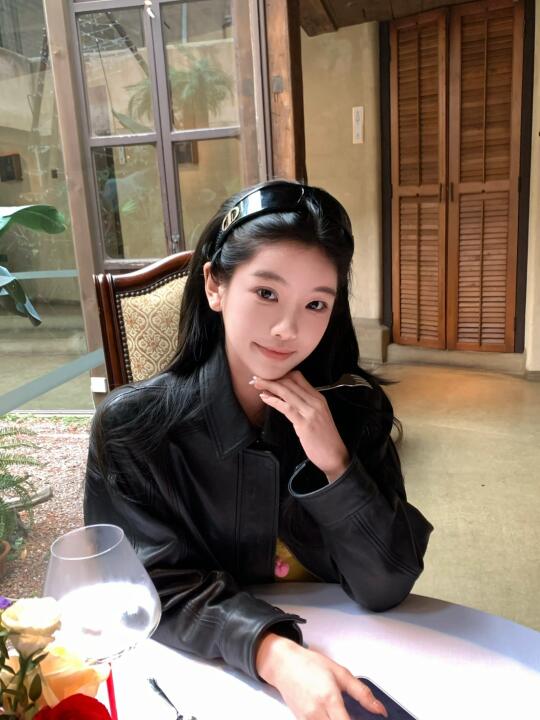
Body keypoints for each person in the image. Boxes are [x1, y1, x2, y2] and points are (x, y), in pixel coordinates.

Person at [84, 180, 433, 719]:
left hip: (360, 655)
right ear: (215, 286)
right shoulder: (132, 428)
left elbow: (386, 585)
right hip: (198, 680)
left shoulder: (355, 413)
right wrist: (274, 653)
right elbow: (142, 588)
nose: (288, 329)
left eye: (315, 303)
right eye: (266, 293)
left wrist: (334, 464)